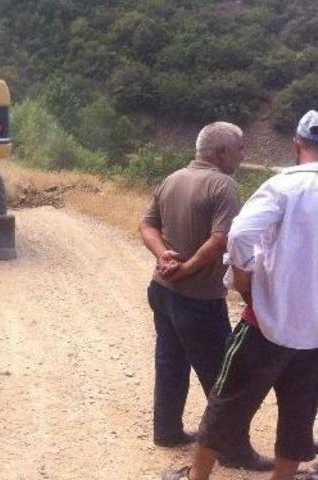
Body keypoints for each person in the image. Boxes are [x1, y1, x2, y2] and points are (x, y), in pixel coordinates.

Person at [163, 110, 318, 480]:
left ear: (296, 144)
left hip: (267, 321)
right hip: (314, 330)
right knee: (300, 409)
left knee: (228, 399)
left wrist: (245, 284)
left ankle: (195, 477)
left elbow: (239, 235)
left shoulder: (285, 186)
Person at [140, 122, 271, 471]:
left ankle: (166, 430)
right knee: (224, 377)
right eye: (240, 148)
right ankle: (233, 450)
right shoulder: (224, 185)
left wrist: (162, 257)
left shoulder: (173, 178)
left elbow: (147, 226)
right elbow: (221, 239)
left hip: (161, 290)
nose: (243, 155)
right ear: (222, 152)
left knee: (170, 362)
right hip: (197, 298)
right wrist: (185, 270)